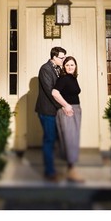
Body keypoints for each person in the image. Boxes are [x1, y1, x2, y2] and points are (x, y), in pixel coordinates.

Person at [35, 45, 68, 181]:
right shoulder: (45, 69)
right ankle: (49, 172)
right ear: (54, 57)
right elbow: (50, 91)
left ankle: (52, 169)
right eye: (62, 57)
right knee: (49, 140)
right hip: (47, 110)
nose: (63, 60)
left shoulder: (58, 69)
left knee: (53, 139)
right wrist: (62, 106)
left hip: (54, 110)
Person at [52, 55, 84, 183]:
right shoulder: (64, 78)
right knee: (70, 140)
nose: (70, 67)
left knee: (73, 139)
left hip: (75, 110)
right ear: (64, 67)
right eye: (67, 65)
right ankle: (71, 171)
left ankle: (70, 169)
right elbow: (55, 92)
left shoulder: (72, 78)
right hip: (68, 111)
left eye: (72, 64)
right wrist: (66, 105)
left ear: (75, 66)